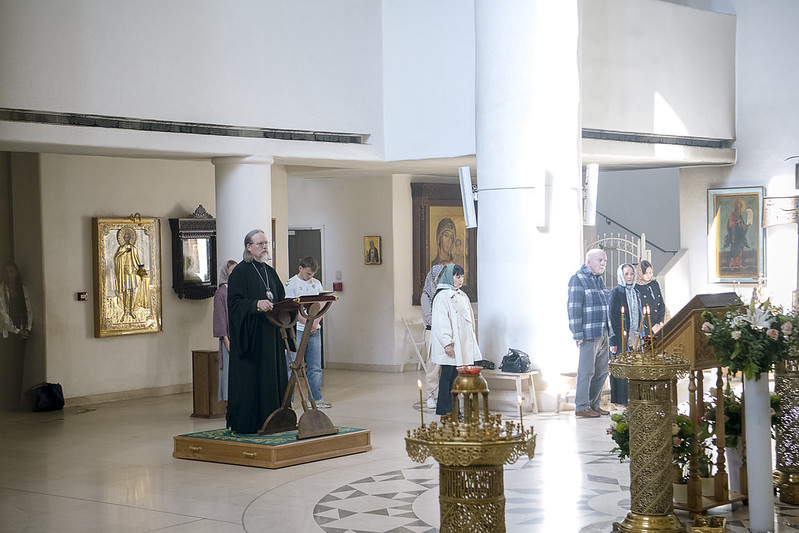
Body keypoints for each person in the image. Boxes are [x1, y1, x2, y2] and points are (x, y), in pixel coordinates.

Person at [226, 230, 288, 434]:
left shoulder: (269, 272)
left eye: (266, 243)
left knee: (273, 377)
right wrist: (256, 305)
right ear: (248, 247)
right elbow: (234, 304)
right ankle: (251, 422)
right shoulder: (240, 272)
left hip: (271, 336)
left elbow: (280, 296)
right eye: (260, 243)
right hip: (252, 338)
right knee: (254, 381)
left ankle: (275, 419)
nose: (265, 247)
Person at [429, 264, 482, 416]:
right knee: (448, 377)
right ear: (449, 277)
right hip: (450, 345)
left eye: (462, 276)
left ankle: (455, 409)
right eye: (457, 276)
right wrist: (447, 343)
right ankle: (446, 410)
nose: (461, 280)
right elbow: (441, 322)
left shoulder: (461, 295)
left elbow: (468, 320)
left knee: (456, 378)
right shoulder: (442, 297)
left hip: (461, 344)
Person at [567, 249, 613, 418]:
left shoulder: (598, 280)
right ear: (589, 262)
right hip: (587, 333)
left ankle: (594, 405)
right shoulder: (578, 279)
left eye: (605, 261)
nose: (603, 263)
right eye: (600, 260)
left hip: (603, 332)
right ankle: (582, 406)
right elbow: (573, 308)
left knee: (601, 371)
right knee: (586, 371)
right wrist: (577, 333)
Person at [284, 256, 330, 408]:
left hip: (314, 329)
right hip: (297, 329)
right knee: (292, 366)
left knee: (315, 366)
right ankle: (287, 401)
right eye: (307, 274)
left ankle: (316, 399)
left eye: (312, 274)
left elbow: (322, 305)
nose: (310, 277)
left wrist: (315, 322)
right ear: (300, 268)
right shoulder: (291, 284)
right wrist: (307, 322)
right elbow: (291, 309)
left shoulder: (316, 284)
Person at [0, 262, 33, 411]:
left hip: (21, 333)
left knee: (18, 368)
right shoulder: (1, 290)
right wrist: (16, 331)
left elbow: (28, 310)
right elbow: (2, 315)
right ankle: (6, 401)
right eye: (6, 272)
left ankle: (15, 401)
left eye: (11, 272)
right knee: (7, 367)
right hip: (7, 334)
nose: (9, 275)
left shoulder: (22, 289)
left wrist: (27, 328)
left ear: (17, 273)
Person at [608, 263, 640, 406]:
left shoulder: (636, 292)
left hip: (634, 335)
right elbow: (612, 317)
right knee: (621, 368)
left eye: (631, 274)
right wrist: (613, 341)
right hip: (620, 336)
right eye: (626, 274)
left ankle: (633, 398)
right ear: (621, 275)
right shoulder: (616, 292)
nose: (629, 277)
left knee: (633, 367)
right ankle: (620, 401)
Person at [420, 262, 448, 410]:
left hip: (445, 333)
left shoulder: (445, 294)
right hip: (433, 333)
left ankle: (446, 394)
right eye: (439, 277)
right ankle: (431, 395)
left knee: (447, 366)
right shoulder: (426, 296)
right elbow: (430, 318)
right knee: (433, 366)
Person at [213, 259, 237, 403]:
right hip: (229, 338)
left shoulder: (238, 290)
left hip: (240, 336)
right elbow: (220, 317)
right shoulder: (221, 293)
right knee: (228, 371)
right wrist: (226, 338)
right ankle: (229, 400)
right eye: (232, 271)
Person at [114, 227, 143, 320]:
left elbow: (137, 259)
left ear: (131, 238)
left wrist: (141, 269)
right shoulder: (121, 248)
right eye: (125, 237)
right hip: (124, 274)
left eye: (128, 237)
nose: (127, 239)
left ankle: (132, 310)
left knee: (133, 291)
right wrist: (124, 253)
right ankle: (125, 312)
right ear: (123, 239)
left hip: (133, 273)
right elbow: (116, 259)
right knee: (126, 292)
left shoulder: (134, 248)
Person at [636, 260, 666, 335]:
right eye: (646, 273)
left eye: (651, 273)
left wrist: (659, 322)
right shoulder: (636, 288)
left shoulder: (654, 284)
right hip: (645, 326)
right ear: (640, 273)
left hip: (659, 324)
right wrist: (652, 325)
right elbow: (640, 309)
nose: (649, 275)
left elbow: (661, 304)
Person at [723, 198, 751, 270]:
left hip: (740, 236)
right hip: (734, 236)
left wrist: (746, 226)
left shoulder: (740, 216)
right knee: (735, 250)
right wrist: (736, 222)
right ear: (735, 208)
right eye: (737, 207)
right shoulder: (732, 215)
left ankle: (738, 264)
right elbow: (730, 225)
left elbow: (742, 226)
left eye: (740, 207)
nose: (739, 209)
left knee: (740, 250)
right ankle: (732, 264)